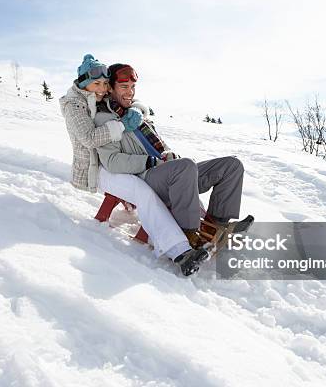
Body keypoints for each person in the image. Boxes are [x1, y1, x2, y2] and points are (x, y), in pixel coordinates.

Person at [93, 63, 251, 270]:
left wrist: (168, 153)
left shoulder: (136, 114)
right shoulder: (104, 119)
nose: (130, 92)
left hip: (170, 171)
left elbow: (158, 144)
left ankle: (218, 226)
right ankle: (187, 233)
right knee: (184, 167)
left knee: (231, 165)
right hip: (146, 176)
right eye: (124, 87)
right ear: (110, 88)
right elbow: (112, 161)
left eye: (132, 86)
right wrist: (152, 162)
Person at [59, 54, 200, 276]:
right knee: (143, 192)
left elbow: (126, 104)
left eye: (105, 83)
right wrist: (122, 125)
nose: (102, 88)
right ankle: (179, 250)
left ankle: (189, 230)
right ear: (84, 82)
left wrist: (137, 111)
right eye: (97, 83)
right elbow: (89, 139)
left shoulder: (98, 98)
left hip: (113, 160)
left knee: (160, 183)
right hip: (98, 168)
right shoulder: (74, 105)